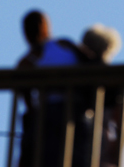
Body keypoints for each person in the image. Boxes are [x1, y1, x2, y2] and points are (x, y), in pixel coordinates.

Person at [16, 10, 94, 167]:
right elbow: (91, 61)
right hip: (76, 110)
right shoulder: (65, 44)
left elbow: (24, 93)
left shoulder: (27, 61)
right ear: (46, 27)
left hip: (49, 114)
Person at [81, 24, 124, 167]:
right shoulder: (114, 78)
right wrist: (117, 148)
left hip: (78, 134)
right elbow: (121, 117)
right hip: (102, 138)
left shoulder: (78, 74)